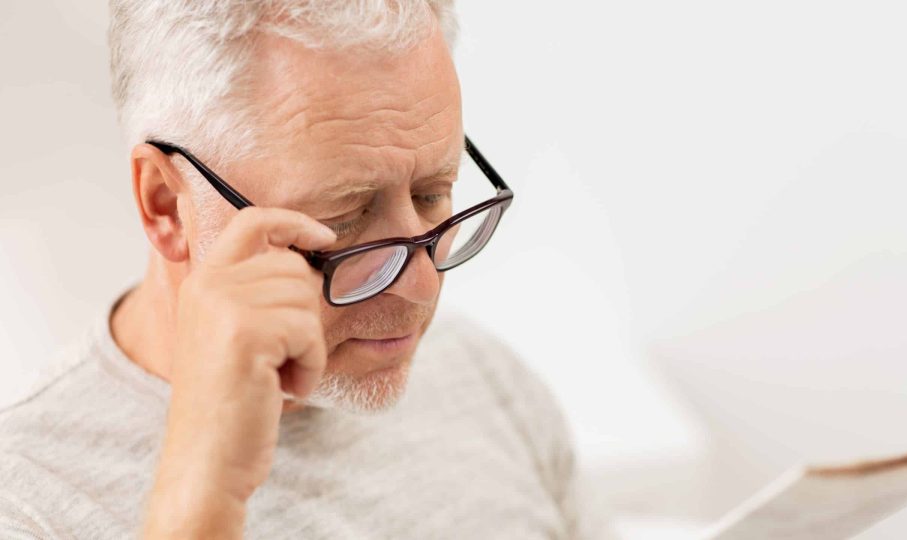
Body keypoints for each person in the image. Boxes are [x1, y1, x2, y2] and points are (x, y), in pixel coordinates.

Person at [0, 1, 614, 538]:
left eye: (433, 192)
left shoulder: (485, 380)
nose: (423, 286)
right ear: (166, 204)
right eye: (344, 220)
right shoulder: (27, 501)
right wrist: (202, 492)